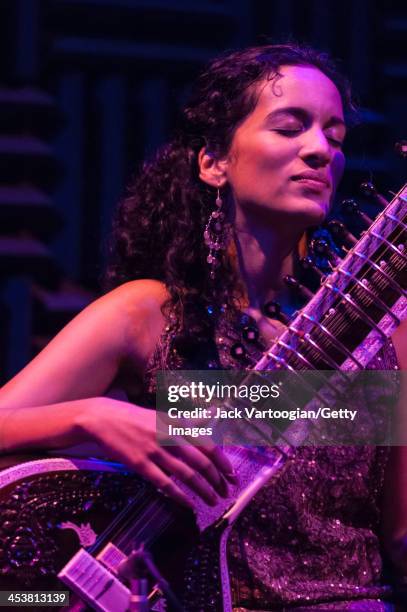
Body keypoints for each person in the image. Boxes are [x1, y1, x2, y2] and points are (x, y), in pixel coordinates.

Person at [0, 43, 406, 610]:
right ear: (214, 162)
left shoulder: (381, 337)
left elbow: (399, 536)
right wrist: (92, 414)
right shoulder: (147, 313)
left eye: (335, 138)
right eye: (291, 127)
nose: (319, 150)